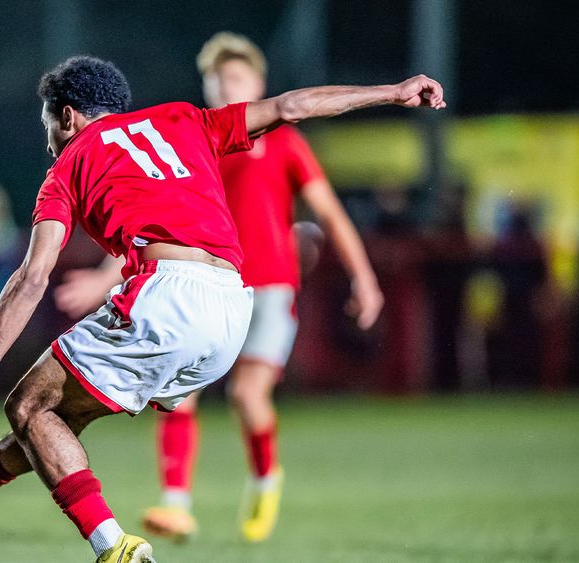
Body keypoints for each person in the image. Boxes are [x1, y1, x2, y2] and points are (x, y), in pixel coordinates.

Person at [0, 55, 444, 562]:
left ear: (68, 115)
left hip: (167, 295)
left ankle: (115, 550)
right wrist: (392, 93)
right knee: (55, 423)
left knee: (26, 404)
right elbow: (293, 105)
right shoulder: (183, 118)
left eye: (48, 122)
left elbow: (32, 277)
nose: (48, 135)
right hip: (231, 309)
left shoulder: (68, 165)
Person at [54, 33, 385, 543]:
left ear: (257, 84)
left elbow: (329, 213)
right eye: (215, 80)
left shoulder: (283, 144)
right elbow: (153, 225)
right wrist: (103, 276)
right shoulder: (197, 140)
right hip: (196, 290)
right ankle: (176, 505)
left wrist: (363, 276)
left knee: (249, 398)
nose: (223, 87)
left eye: (234, 78)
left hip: (269, 287)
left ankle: (265, 477)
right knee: (175, 397)